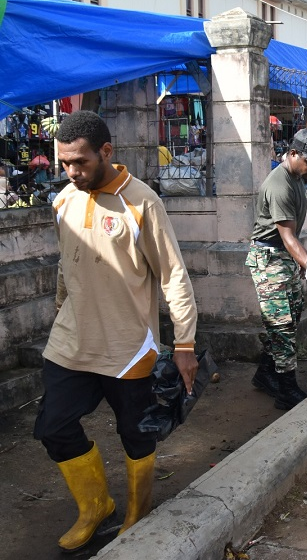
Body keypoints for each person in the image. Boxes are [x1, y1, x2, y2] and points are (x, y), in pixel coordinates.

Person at [33, 111, 199, 552]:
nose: (71, 172)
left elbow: (173, 277)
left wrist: (184, 344)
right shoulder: (63, 200)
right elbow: (66, 264)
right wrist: (60, 308)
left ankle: (136, 512)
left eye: (80, 162)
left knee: (136, 433)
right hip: (72, 341)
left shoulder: (142, 202)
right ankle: (96, 506)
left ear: (106, 152)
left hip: (129, 348)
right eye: (64, 163)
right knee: (53, 426)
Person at [246, 128, 307, 410]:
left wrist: (299, 264)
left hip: (283, 257)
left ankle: (265, 373)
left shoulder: (297, 176)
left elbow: (292, 236)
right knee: (281, 324)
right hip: (269, 258)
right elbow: (287, 236)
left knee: (291, 318)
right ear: (294, 153)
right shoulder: (279, 185)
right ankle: (286, 390)